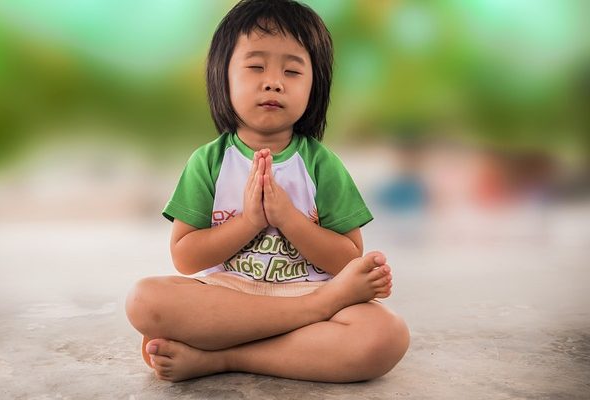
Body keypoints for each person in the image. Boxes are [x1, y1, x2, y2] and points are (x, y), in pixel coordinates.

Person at [125, 0, 409, 383]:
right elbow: (186, 258)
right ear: (222, 76)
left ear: (315, 86)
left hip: (308, 290)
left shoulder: (322, 164)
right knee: (144, 301)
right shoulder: (208, 161)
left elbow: (347, 261)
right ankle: (302, 322)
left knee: (385, 336)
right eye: (256, 66)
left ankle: (221, 358)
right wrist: (250, 221)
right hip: (230, 297)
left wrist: (288, 219)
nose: (273, 81)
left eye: (292, 71)